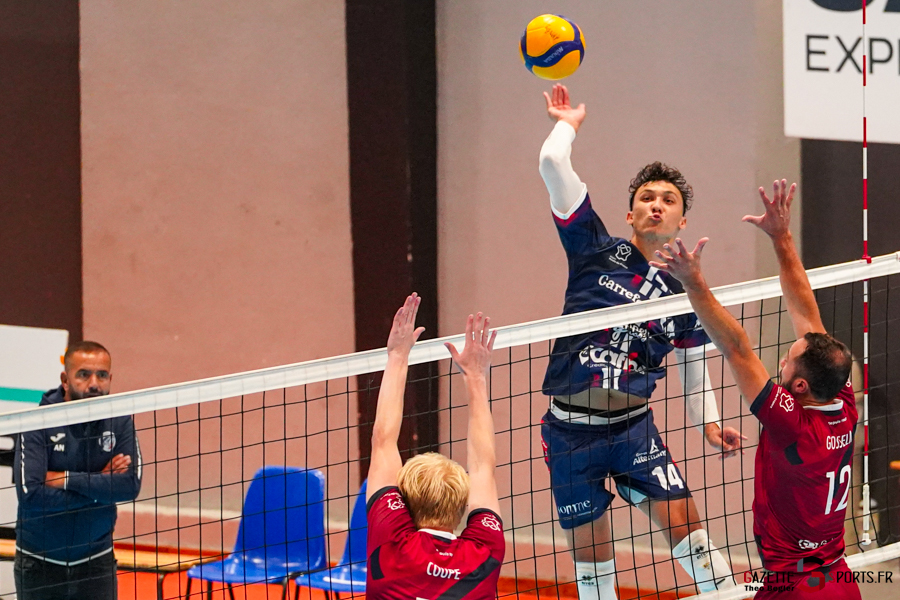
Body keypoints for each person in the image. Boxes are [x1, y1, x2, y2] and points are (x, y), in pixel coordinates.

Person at [537, 83, 742, 599]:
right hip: (571, 433)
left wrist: (710, 424)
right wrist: (569, 122)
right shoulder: (593, 250)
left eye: (667, 200)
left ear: (681, 220)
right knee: (595, 573)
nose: (656, 204)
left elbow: (694, 367)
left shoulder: (685, 290)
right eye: (646, 198)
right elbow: (550, 163)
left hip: (633, 432)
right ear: (630, 215)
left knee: (693, 538)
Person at [651, 180, 861, 598]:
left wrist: (693, 282)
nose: (780, 360)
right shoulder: (840, 396)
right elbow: (806, 311)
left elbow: (735, 347)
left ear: (798, 386)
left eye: (787, 358)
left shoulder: (793, 424)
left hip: (796, 586)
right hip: (837, 579)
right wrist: (781, 236)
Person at [365, 294, 505, 600]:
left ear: (404, 502)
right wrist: (476, 377)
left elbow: (383, 440)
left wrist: (397, 356)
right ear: (461, 500)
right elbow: (483, 469)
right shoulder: (484, 554)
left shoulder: (392, 544)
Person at [14, 341, 142, 600]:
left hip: (97, 562)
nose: (94, 384)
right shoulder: (37, 421)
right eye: (83, 374)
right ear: (65, 379)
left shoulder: (119, 421)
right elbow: (30, 495)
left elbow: (129, 486)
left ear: (110, 378)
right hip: (39, 563)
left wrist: (65, 479)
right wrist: (101, 484)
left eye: (102, 375)